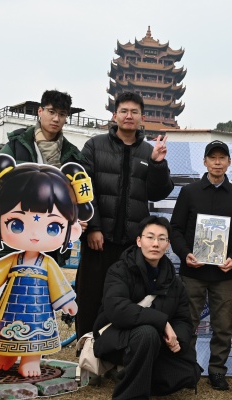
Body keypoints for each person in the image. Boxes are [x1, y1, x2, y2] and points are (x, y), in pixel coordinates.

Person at [0, 154, 94, 377]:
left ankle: (31, 359)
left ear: (72, 231)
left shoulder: (47, 263)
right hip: (10, 310)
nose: (34, 235)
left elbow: (57, 284)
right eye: (17, 224)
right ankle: (7, 355)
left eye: (53, 227)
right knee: (5, 334)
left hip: (37, 312)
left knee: (35, 337)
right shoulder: (13, 260)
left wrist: (67, 301)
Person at [75, 91, 174, 339]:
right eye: (124, 111)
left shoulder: (149, 151)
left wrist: (158, 164)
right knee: (90, 296)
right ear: (114, 115)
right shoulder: (94, 146)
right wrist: (94, 227)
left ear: (142, 118)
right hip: (98, 240)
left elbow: (158, 192)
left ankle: (116, 349)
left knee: (126, 299)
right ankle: (86, 348)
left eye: (134, 112)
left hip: (131, 244)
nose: (129, 116)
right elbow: (83, 188)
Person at [170, 140, 232, 391]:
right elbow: (175, 229)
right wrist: (185, 254)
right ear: (205, 162)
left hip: (224, 274)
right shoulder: (189, 192)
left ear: (229, 162)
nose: (217, 162)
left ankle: (217, 371)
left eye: (222, 158)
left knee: (223, 326)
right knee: (188, 322)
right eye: (213, 158)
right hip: (192, 272)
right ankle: (187, 369)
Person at [92, 216, 202, 399]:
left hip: (156, 344)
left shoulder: (174, 281)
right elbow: (117, 309)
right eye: (150, 237)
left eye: (161, 239)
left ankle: (131, 375)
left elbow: (183, 319)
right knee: (147, 333)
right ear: (139, 241)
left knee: (189, 372)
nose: (155, 244)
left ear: (168, 244)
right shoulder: (120, 270)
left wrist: (177, 341)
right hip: (116, 338)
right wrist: (162, 323)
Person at [0, 89, 85, 266]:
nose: (56, 119)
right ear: (40, 111)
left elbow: (79, 195)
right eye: (51, 112)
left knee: (46, 280)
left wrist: (80, 216)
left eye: (62, 114)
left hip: (52, 233)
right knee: (12, 279)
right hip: (17, 229)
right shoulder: (17, 145)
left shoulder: (72, 155)